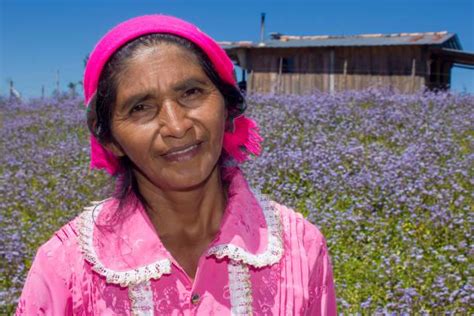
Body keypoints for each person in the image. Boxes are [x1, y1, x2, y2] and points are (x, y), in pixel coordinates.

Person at [16, 15, 337, 315]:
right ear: (111, 140)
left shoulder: (300, 248)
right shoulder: (65, 266)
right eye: (140, 107)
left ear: (226, 108)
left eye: (192, 93)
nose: (177, 125)